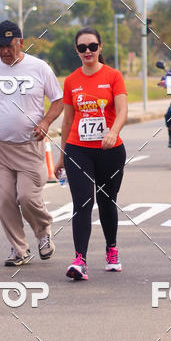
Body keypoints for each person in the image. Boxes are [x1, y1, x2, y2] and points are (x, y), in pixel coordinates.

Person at [0, 20, 63, 266]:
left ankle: (43, 232)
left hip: (30, 146)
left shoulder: (39, 68)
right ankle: (19, 249)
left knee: (28, 197)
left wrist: (46, 121)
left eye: (8, 46)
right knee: (4, 201)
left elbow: (58, 100)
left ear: (20, 42)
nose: (3, 51)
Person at [54, 27, 128, 280]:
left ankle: (111, 249)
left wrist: (113, 132)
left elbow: (122, 111)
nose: (88, 51)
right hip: (78, 150)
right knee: (82, 202)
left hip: (110, 151)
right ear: (76, 50)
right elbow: (67, 121)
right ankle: (80, 260)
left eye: (92, 46)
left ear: (100, 48)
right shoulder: (71, 81)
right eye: (82, 47)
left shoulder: (113, 76)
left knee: (107, 201)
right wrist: (62, 156)